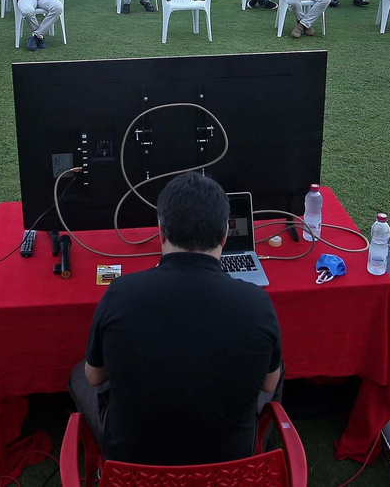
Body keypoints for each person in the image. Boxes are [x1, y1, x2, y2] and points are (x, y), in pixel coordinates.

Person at [73, 173, 282, 467]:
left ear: (161, 232)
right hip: (227, 471)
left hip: (132, 472)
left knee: (78, 375)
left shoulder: (120, 294)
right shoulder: (257, 303)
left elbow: (94, 377)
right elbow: (269, 383)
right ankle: (261, 442)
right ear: (224, 236)